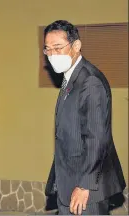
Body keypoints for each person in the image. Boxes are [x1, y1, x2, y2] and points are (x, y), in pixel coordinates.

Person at [43, 20, 126, 215]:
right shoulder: (70, 77)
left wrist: (84, 186)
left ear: (76, 46)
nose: (52, 55)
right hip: (68, 181)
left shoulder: (90, 81)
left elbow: (97, 138)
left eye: (58, 48)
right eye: (48, 49)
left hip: (86, 188)